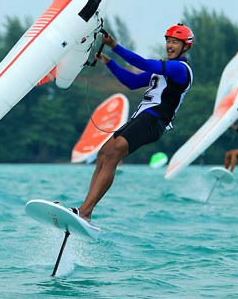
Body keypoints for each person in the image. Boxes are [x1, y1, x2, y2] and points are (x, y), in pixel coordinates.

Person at [76, 24, 194, 222]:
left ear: (185, 47)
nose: (169, 45)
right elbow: (132, 82)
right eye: (168, 41)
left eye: (174, 42)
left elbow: (145, 64)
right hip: (141, 117)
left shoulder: (180, 69)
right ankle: (85, 210)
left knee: (114, 154)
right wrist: (108, 61)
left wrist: (115, 46)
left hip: (155, 119)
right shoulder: (163, 68)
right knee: (104, 153)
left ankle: (85, 211)